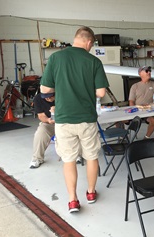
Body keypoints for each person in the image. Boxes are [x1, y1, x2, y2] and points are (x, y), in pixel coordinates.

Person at [40, 26, 109, 213]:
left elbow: (44, 90)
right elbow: (101, 92)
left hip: (64, 119)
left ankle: (72, 200)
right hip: (86, 118)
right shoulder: (94, 61)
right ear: (88, 42)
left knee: (69, 159)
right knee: (91, 156)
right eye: (91, 45)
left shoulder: (55, 58)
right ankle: (91, 192)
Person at [128, 66, 154, 139]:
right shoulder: (135, 86)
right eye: (147, 71)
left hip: (150, 112)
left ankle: (146, 137)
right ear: (140, 73)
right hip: (137, 111)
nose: (149, 72)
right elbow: (131, 101)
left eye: (150, 71)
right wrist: (133, 113)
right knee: (119, 119)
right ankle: (123, 138)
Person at [29, 92, 55, 169]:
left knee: (75, 129)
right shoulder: (38, 98)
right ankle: (37, 158)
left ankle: (77, 155)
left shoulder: (63, 95)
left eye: (50, 97)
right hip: (50, 122)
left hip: (65, 122)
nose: (48, 99)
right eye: (46, 97)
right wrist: (48, 120)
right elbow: (41, 116)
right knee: (41, 131)